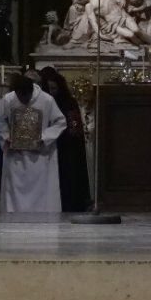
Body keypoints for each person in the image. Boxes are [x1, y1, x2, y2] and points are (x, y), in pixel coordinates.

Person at [0, 73, 65, 212]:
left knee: (40, 195)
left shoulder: (47, 100)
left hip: (40, 157)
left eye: (25, 96)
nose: (23, 100)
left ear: (31, 91)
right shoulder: (8, 100)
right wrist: (6, 135)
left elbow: (60, 122)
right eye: (20, 96)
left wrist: (43, 138)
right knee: (14, 194)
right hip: (16, 157)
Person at [38, 67, 91, 212]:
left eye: (54, 89)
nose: (51, 93)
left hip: (66, 148)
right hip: (47, 149)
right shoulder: (40, 103)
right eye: (48, 89)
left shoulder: (68, 102)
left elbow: (75, 130)